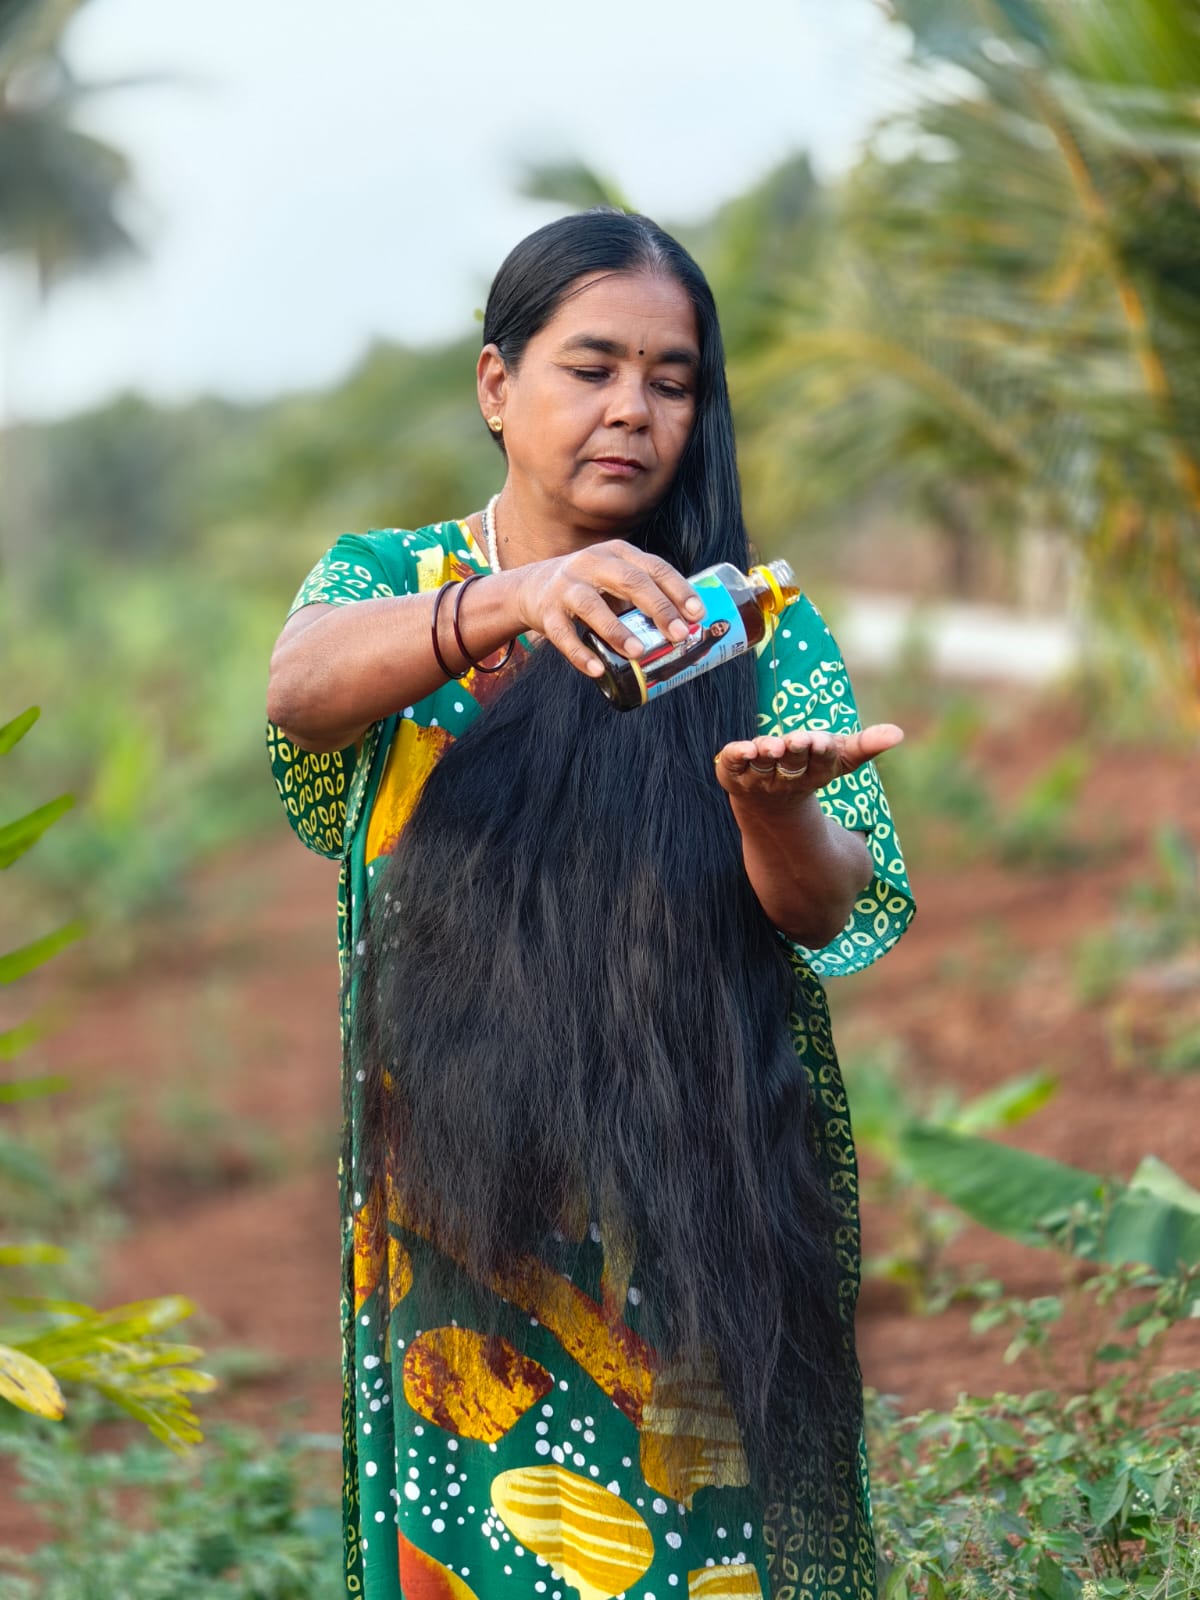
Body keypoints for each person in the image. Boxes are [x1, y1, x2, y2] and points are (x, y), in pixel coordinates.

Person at [266, 209, 914, 1600]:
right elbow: (298, 693)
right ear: (498, 387)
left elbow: (832, 903)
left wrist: (771, 800)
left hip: (686, 1213)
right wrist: (515, 600)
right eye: (592, 366)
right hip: (453, 1226)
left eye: (672, 381)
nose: (633, 408)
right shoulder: (395, 586)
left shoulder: (745, 623)